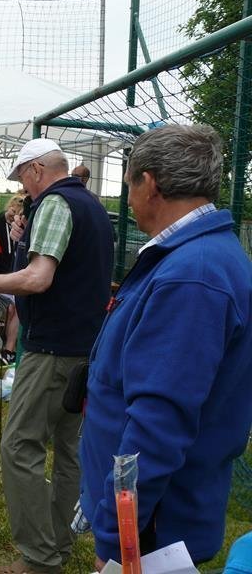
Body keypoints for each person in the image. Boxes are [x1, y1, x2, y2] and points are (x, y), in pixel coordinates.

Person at [77, 125, 252, 568]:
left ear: (150, 183)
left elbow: (158, 425)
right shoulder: (194, 257)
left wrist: (117, 539)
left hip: (151, 532)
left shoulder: (192, 276)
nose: (128, 199)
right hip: (151, 520)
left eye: (129, 184)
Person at [0, 139, 114, 574]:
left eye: (23, 178)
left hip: (52, 348)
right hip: (86, 345)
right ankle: (58, 544)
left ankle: (40, 558)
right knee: (69, 449)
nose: (24, 189)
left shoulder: (55, 203)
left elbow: (39, 277)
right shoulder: (93, 206)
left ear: (38, 170)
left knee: (19, 446)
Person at [0, 193, 25, 365]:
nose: (13, 216)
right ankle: (9, 348)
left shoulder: (22, 228)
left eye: (18, 214)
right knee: (13, 306)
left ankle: (9, 349)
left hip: (15, 278)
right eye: (12, 211)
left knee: (16, 306)